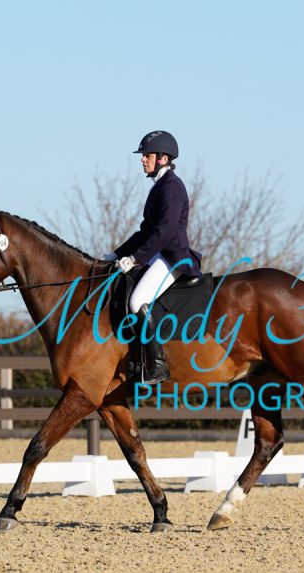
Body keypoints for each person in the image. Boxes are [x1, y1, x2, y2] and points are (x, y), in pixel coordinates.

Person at [102, 130, 202, 385]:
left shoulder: (172, 187)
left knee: (138, 300)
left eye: (147, 155)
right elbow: (145, 231)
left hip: (173, 258)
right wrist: (117, 253)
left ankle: (158, 365)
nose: (142, 159)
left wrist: (135, 259)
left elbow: (164, 231)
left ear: (163, 159)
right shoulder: (160, 186)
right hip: (159, 254)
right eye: (143, 155)